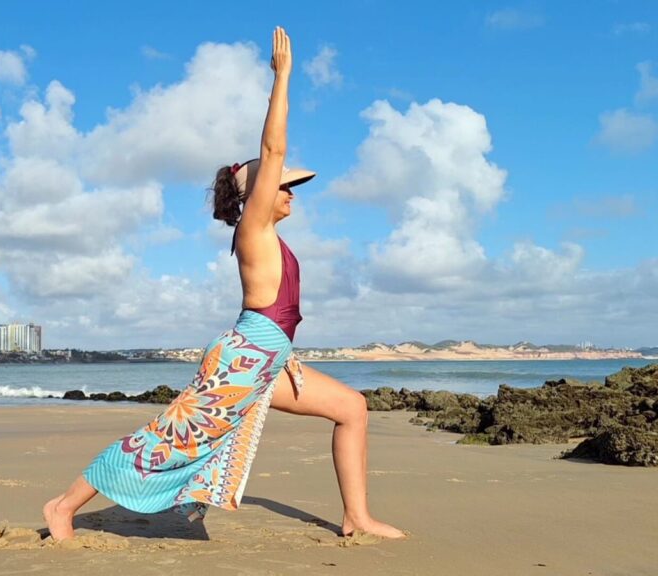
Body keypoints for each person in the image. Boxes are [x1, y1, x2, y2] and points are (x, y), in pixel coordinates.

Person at [44, 26, 404, 541]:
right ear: (259, 190)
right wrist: (282, 78)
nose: (291, 195)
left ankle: (357, 518)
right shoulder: (253, 227)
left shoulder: (271, 237)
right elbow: (272, 146)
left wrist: (284, 357)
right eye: (283, 186)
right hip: (243, 358)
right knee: (165, 440)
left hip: (267, 360)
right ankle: (61, 505)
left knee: (352, 408)